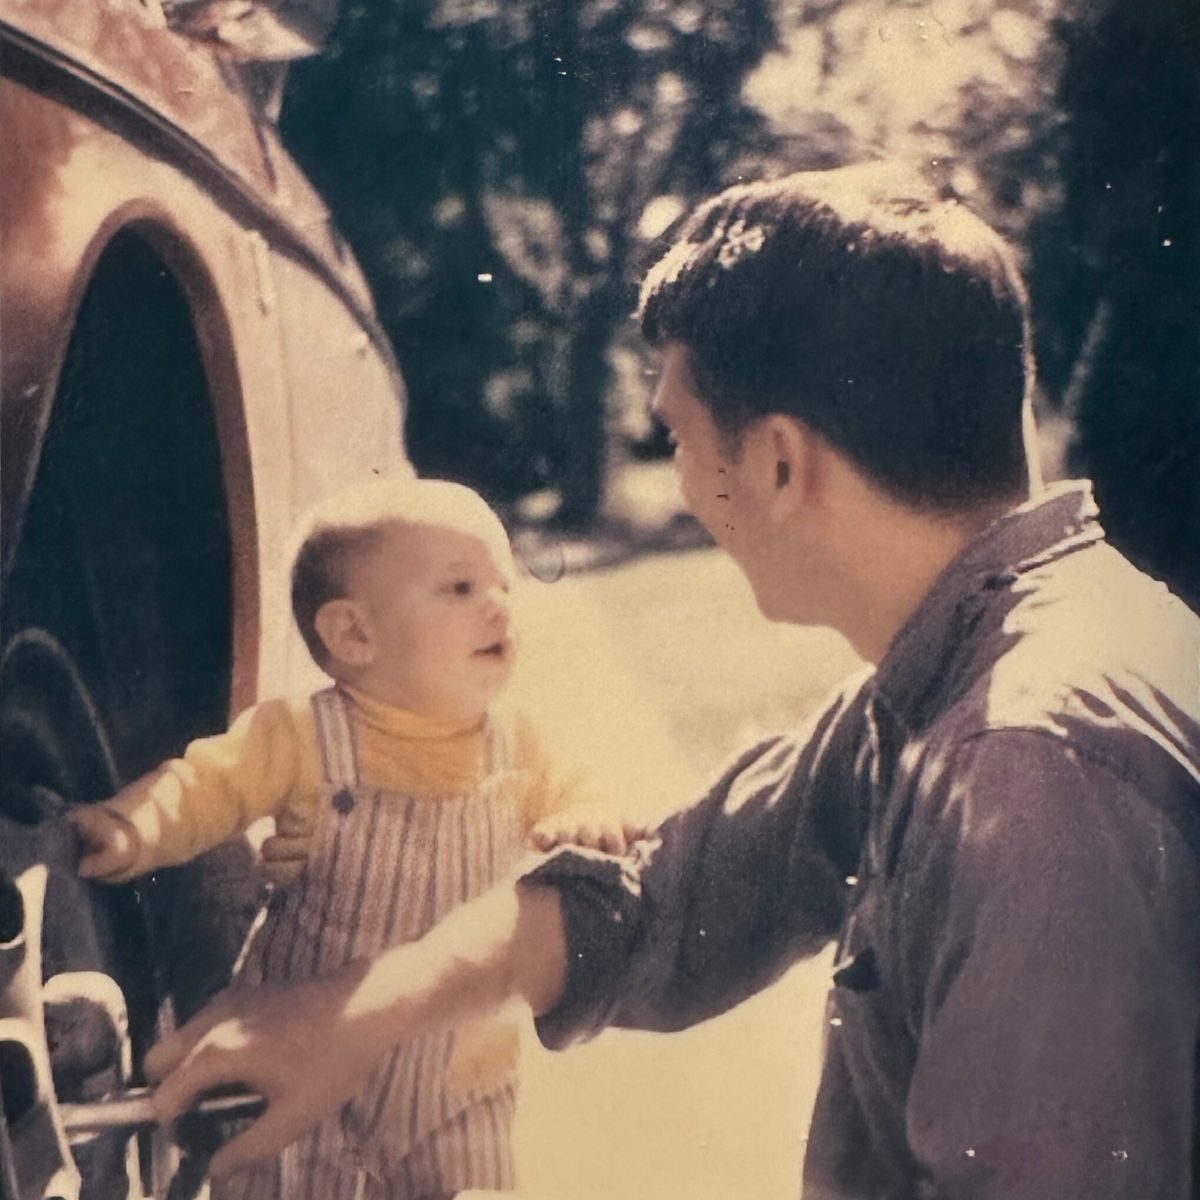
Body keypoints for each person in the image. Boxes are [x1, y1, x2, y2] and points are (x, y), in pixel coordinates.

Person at [146, 164, 1200, 1199]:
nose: (687, 484)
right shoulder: (972, 667)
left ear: (780, 464)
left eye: (679, 436)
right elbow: (662, 896)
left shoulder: (1029, 768)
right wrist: (347, 1019)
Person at [71, 476, 621, 1200]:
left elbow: (587, 803)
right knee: (277, 1177)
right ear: (353, 634)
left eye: (504, 586)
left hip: (458, 1070)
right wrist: (132, 826)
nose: (498, 606)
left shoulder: (520, 744)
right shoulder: (302, 735)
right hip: (301, 1038)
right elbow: (208, 786)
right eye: (460, 588)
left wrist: (590, 821)